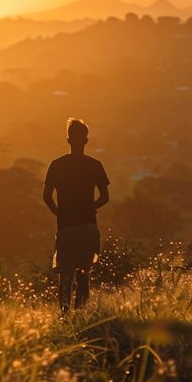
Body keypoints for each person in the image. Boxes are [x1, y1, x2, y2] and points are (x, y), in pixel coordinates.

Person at [43, 118, 110, 314]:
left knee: (65, 275)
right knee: (84, 273)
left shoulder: (57, 165)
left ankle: (65, 314)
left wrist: (59, 212)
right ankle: (81, 314)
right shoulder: (95, 165)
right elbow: (105, 197)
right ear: (86, 140)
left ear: (68, 140)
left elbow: (46, 196)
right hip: (88, 226)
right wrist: (91, 208)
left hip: (65, 227)